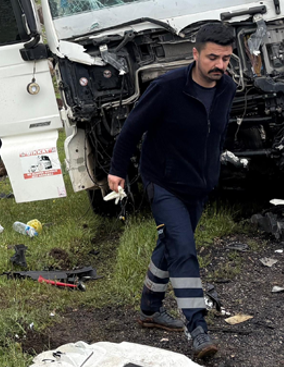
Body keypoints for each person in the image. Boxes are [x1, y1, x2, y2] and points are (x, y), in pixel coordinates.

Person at [108, 23, 235, 359]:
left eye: (225, 58)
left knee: (169, 244)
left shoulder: (228, 88)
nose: (219, 65)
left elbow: (215, 136)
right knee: (183, 248)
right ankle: (198, 329)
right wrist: (117, 170)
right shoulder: (167, 88)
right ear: (195, 54)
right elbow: (132, 128)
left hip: (198, 184)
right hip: (162, 181)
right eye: (212, 57)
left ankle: (149, 310)